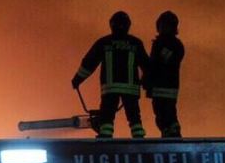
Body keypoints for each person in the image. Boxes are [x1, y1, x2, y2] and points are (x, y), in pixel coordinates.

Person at [71, 11, 149, 139]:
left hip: (110, 89)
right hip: (131, 89)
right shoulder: (136, 43)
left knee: (107, 115)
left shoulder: (104, 42)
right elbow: (147, 65)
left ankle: (106, 136)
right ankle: (139, 136)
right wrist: (146, 82)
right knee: (134, 115)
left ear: (111, 25)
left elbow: (89, 63)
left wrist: (77, 79)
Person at [145, 10, 185, 137]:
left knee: (166, 114)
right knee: (165, 114)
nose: (162, 28)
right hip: (167, 86)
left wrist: (147, 78)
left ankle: (171, 135)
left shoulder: (167, 44)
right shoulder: (175, 45)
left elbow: (157, 63)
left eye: (165, 25)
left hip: (163, 86)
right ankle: (170, 133)